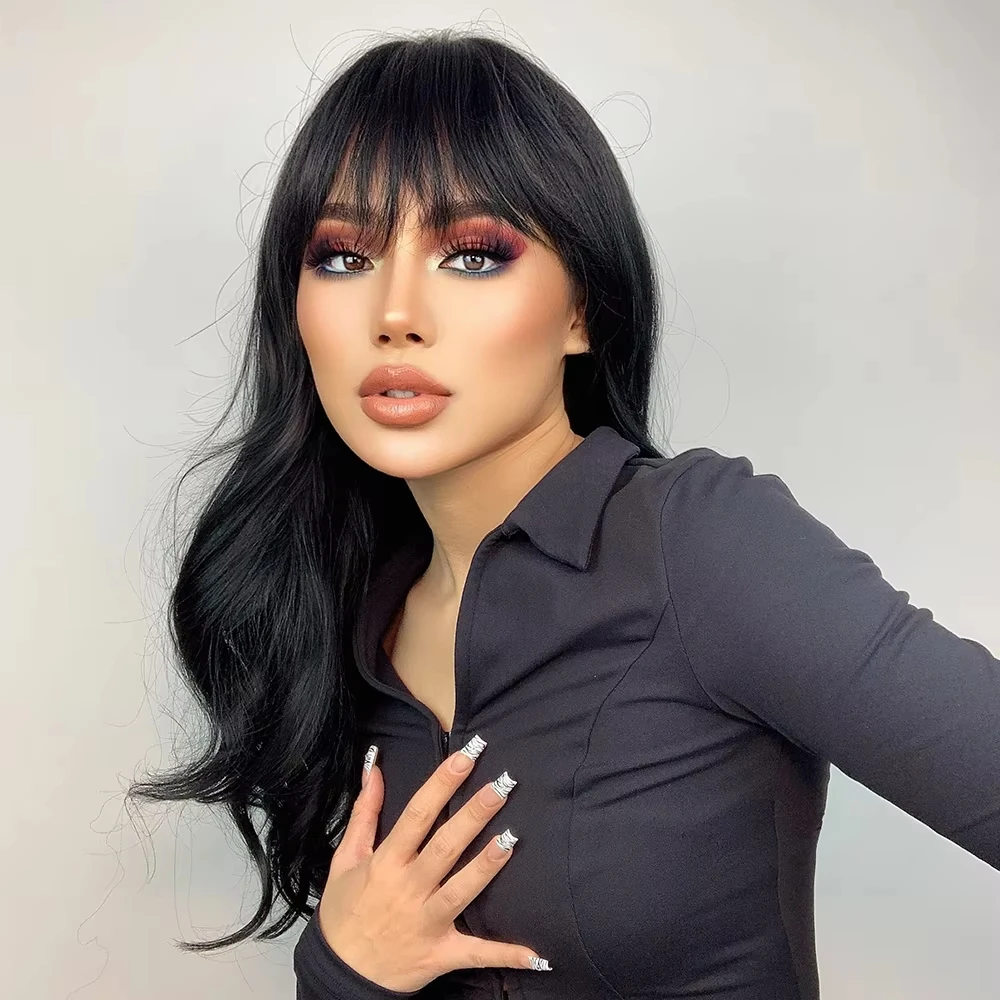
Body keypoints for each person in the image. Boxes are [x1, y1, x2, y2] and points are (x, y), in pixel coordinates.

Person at [128, 28, 1000, 1000]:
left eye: (470, 255)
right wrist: (345, 967)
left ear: (580, 309)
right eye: (343, 256)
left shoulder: (699, 544)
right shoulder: (348, 611)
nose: (394, 312)